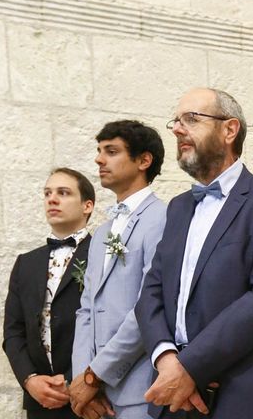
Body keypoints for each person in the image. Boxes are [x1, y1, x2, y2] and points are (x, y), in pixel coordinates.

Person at [134, 87, 253, 418]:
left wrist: (189, 367)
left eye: (191, 119)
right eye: (176, 122)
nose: (178, 129)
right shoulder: (179, 208)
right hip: (172, 396)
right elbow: (151, 292)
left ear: (229, 129)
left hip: (239, 396)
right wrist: (166, 358)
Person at [70, 120, 166, 419]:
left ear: (143, 160)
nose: (99, 159)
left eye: (111, 151)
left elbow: (147, 308)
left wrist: (95, 375)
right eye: (99, 151)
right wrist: (83, 379)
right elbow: (87, 308)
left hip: (139, 390)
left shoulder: (162, 219)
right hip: (96, 394)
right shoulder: (102, 232)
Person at [3, 168, 95, 419]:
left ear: (87, 205)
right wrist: (30, 380)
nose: (52, 199)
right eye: (47, 193)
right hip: (39, 402)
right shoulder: (25, 263)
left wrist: (78, 380)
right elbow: (13, 331)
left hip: (91, 396)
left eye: (63, 193)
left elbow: (112, 324)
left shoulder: (103, 255)